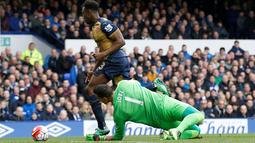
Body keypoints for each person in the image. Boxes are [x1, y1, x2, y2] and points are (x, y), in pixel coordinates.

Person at [86, 80, 204, 141]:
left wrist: (102, 138)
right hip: (164, 104)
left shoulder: (118, 115)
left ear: (105, 98)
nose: (100, 101)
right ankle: (178, 131)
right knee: (198, 115)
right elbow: (139, 84)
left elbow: (118, 138)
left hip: (160, 121)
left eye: (99, 99)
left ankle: (170, 134)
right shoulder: (123, 84)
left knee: (196, 130)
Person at [81, 0, 130, 135]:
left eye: (83, 14)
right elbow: (101, 53)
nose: (83, 17)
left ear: (89, 12)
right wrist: (93, 70)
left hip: (116, 61)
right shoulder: (94, 27)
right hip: (113, 61)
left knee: (90, 88)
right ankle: (154, 86)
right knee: (127, 94)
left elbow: (121, 41)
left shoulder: (105, 24)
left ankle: (102, 127)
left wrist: (102, 54)